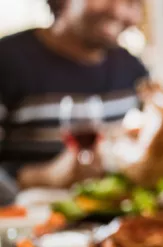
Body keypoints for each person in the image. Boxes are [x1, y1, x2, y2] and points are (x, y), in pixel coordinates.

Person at [0, 0, 148, 192]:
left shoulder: (133, 70)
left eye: (132, 3)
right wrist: (45, 176)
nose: (118, 11)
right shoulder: (6, 61)